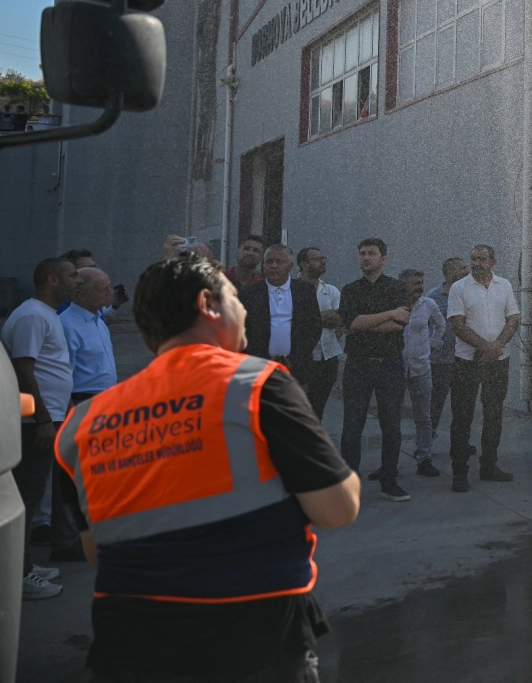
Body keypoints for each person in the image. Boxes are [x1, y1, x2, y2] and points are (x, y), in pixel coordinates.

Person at [53, 253, 360, 682]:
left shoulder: (80, 426)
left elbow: (96, 552)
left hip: (127, 642)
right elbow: (338, 508)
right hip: (252, 638)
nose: (246, 310)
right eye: (236, 298)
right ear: (208, 305)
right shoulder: (255, 384)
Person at [3, 258, 78, 598]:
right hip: (33, 422)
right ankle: (14, 576)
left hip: (47, 418)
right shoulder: (33, 314)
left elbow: (51, 368)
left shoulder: (46, 313)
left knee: (33, 493)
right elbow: (23, 368)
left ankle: (24, 566)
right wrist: (43, 419)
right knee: (26, 495)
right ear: (52, 280)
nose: (78, 281)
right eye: (72, 275)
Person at [339, 238, 412, 503]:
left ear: (384, 258)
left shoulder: (397, 288)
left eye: (372, 253)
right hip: (358, 365)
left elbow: (399, 322)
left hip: (389, 364)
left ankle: (389, 481)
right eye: (362, 253)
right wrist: (386, 314)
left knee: (391, 426)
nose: (366, 258)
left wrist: (363, 323)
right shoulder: (350, 290)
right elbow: (350, 322)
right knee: (352, 427)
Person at [447, 244, 520, 492]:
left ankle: (489, 466)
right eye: (473, 259)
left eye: (482, 259)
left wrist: (497, 345)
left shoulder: (505, 285)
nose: (476, 263)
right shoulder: (459, 288)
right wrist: (485, 346)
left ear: (493, 261)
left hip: (499, 360)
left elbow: (513, 319)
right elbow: (457, 325)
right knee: (462, 417)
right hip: (468, 361)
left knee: (493, 414)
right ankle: (459, 472)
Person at [243, 245, 325, 393]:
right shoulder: (250, 293)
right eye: (269, 261)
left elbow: (313, 327)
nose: (273, 266)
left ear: (290, 266)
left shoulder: (304, 291)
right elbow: (243, 330)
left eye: (279, 261)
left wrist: (294, 358)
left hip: (296, 370)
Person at [401, 269, 447, 478]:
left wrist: (434, 343)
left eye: (421, 282)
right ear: (403, 285)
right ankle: (387, 463)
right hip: (397, 368)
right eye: (414, 283)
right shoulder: (394, 305)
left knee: (424, 416)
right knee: (391, 418)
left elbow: (440, 324)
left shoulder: (428, 304)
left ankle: (424, 458)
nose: (419, 287)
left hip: (422, 368)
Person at [295, 246, 344, 419]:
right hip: (300, 359)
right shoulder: (291, 289)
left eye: (324, 258)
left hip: (327, 358)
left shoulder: (331, 291)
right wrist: (324, 318)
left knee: (317, 410)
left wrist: (308, 318)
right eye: (317, 259)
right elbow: (293, 320)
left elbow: (340, 320)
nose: (323, 262)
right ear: (304, 264)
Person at [60, 267, 118, 404]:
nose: (110, 292)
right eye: (103, 289)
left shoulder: (99, 321)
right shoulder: (67, 326)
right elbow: (62, 377)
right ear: (82, 295)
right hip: (84, 401)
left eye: (109, 286)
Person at [426, 257, 467, 442]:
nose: (468, 271)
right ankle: (425, 446)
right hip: (440, 361)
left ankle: (460, 444)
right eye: (463, 268)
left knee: (463, 408)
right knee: (434, 406)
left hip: (463, 359)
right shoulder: (433, 297)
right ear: (450, 273)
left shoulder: (468, 294)